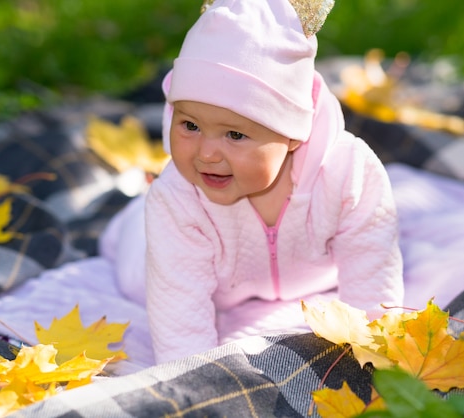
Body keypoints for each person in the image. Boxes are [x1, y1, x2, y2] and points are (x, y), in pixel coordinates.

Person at [110, 0, 404, 365]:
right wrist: (194, 382)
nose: (207, 154)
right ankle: (125, 217)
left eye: (234, 134)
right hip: (169, 260)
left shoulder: (347, 173)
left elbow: (373, 269)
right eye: (190, 125)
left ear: (294, 132)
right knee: (135, 264)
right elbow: (179, 319)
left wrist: (378, 353)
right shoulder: (178, 199)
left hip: (310, 282)